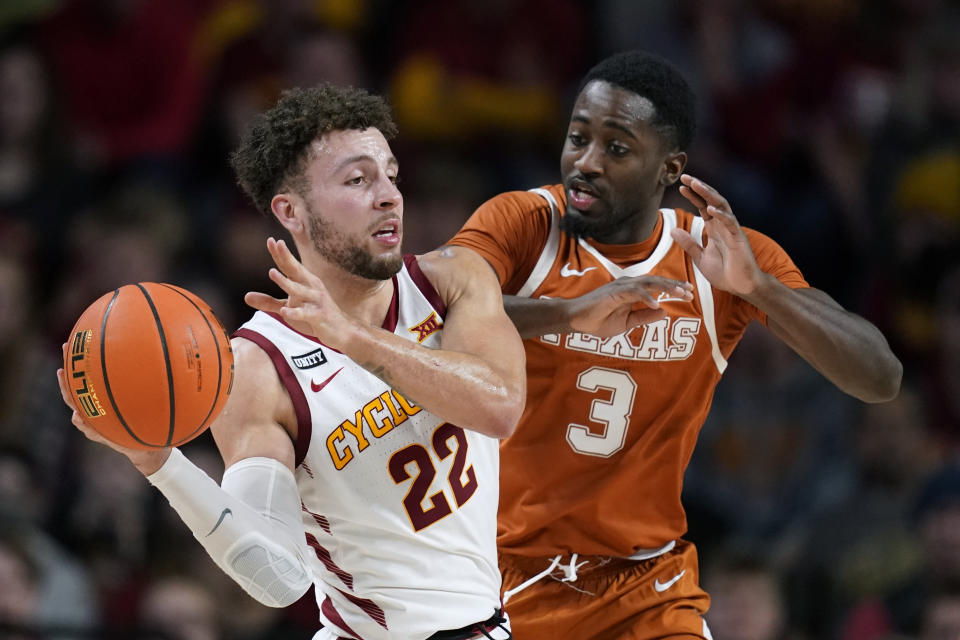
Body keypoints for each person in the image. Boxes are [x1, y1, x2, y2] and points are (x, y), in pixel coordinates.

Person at [448, 49, 903, 639]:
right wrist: (570, 313)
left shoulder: (718, 258)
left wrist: (759, 289)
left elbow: (879, 376)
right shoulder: (523, 223)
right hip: (494, 574)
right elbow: (432, 312)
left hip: (642, 586)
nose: (585, 163)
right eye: (577, 137)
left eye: (616, 148)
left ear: (670, 169)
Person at [57, 84, 528, 640]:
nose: (389, 196)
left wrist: (352, 337)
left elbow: (498, 406)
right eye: (358, 180)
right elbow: (278, 580)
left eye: (391, 175)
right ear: (290, 211)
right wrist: (160, 463)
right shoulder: (258, 367)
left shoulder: (451, 280)